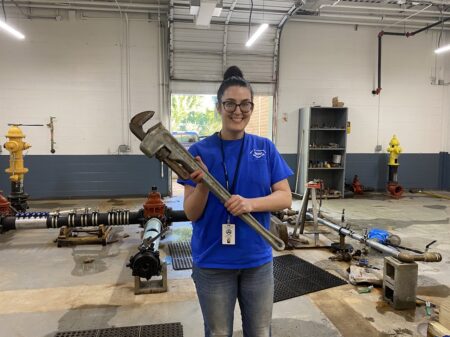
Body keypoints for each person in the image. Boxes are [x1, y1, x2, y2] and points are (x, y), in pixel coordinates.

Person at [177, 66, 293, 337]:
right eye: (230, 103)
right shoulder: (198, 152)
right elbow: (191, 213)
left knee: (261, 331)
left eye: (245, 104)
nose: (238, 111)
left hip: (257, 261)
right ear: (219, 107)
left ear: (252, 107)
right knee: (218, 333)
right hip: (213, 261)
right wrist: (204, 185)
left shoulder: (265, 148)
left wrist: (250, 204)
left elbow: (285, 197)